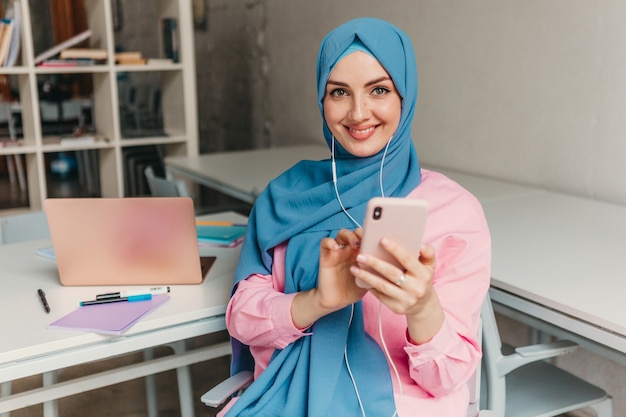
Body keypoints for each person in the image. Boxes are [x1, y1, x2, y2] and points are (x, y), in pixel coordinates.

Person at [219, 17, 491, 417]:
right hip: (286, 398)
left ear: (405, 95)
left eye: (378, 90)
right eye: (339, 92)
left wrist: (422, 309)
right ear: (321, 100)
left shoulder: (455, 211)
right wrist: (318, 301)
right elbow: (243, 318)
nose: (358, 113)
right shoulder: (286, 196)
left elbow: (445, 378)